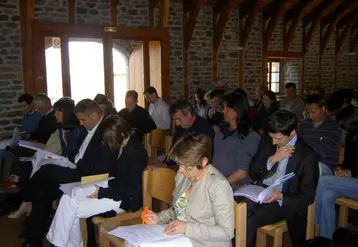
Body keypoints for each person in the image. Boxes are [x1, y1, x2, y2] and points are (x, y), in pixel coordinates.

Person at [18, 99, 118, 247]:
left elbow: (104, 166)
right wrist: (66, 161)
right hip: (76, 170)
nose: (81, 124)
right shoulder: (86, 129)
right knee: (43, 191)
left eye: (83, 120)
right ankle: (33, 239)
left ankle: (26, 201)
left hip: (88, 177)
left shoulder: (107, 130)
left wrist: (75, 166)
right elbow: (78, 153)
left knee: (45, 169)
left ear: (95, 115)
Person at [47, 115, 148, 247]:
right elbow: (118, 178)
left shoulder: (137, 154)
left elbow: (129, 189)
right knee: (68, 197)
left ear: (121, 134)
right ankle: (61, 243)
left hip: (124, 199)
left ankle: (60, 244)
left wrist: (101, 193)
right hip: (114, 186)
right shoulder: (124, 144)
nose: (107, 144)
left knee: (70, 209)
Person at [128, 133, 234, 247]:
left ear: (203, 162)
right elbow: (178, 211)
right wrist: (159, 217)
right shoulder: (183, 175)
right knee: (131, 242)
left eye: (186, 165)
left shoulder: (218, 186)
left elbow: (226, 232)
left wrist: (187, 228)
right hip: (182, 236)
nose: (181, 169)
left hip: (205, 243)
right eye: (180, 164)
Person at [236, 110, 319, 247]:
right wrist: (272, 159)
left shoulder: (307, 155)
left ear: (292, 132)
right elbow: (253, 171)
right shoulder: (268, 140)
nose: (274, 142)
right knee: (230, 208)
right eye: (271, 137)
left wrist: (280, 196)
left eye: (278, 139)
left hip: (282, 201)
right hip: (260, 191)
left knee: (246, 219)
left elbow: (307, 196)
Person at [315, 106, 358, 239]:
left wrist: (351, 172)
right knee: (328, 194)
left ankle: (313, 222)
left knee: (324, 180)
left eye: (343, 127)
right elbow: (349, 162)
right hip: (353, 182)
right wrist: (340, 168)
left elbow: (353, 168)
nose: (341, 129)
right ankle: (326, 238)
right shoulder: (351, 138)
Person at [212, 93, 260, 189]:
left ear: (236, 112)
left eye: (227, 108)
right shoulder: (222, 132)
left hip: (235, 185)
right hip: (217, 179)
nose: (223, 111)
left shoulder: (249, 137)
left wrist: (219, 185)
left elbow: (242, 172)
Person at [297, 94, 340, 175]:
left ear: (323, 109)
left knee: (308, 170)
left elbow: (323, 151)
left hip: (324, 164)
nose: (310, 115)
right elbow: (297, 143)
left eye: (313, 112)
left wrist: (303, 151)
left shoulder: (333, 127)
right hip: (303, 162)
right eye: (308, 112)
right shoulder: (304, 124)